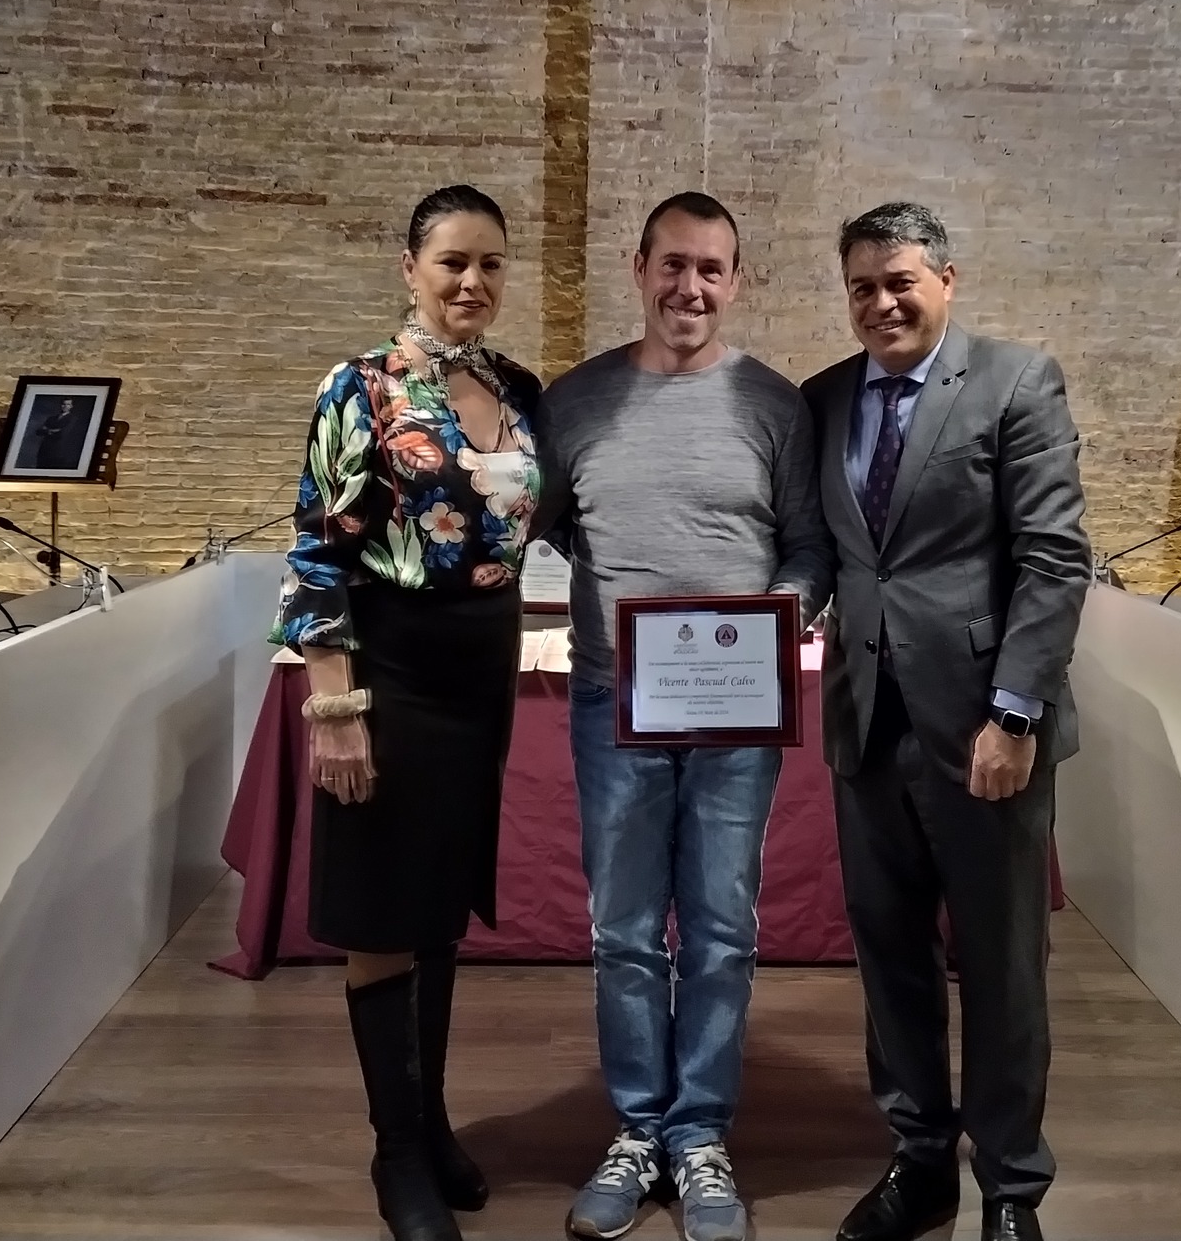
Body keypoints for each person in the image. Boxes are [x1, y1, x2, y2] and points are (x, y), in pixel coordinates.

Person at [537, 192, 832, 1241]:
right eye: (672, 264)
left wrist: (763, 623)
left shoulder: (773, 405)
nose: (689, 287)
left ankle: (699, 1135)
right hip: (611, 700)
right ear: (639, 268)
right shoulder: (573, 402)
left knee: (718, 930)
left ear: (735, 281)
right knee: (622, 930)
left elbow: (808, 546)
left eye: (711, 268)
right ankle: (636, 1129)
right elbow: (548, 526)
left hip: (735, 711)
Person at [800, 203, 1090, 1241]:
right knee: (890, 958)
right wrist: (760, 618)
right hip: (864, 725)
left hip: (984, 734)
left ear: (945, 280)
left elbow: (1054, 559)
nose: (881, 303)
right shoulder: (823, 398)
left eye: (900, 283)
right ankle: (919, 1160)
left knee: (1001, 966)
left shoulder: (1015, 381)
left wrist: (1014, 712)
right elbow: (825, 554)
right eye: (862, 288)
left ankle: (1010, 1187)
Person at [274, 185, 543, 1241]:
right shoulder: (361, 387)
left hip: (481, 677)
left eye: (490, 263)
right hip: (391, 671)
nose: (472, 282)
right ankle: (395, 1152)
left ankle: (429, 1125)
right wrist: (334, 708)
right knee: (384, 908)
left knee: (436, 905)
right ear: (410, 269)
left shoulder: (516, 389)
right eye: (452, 263)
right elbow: (316, 552)